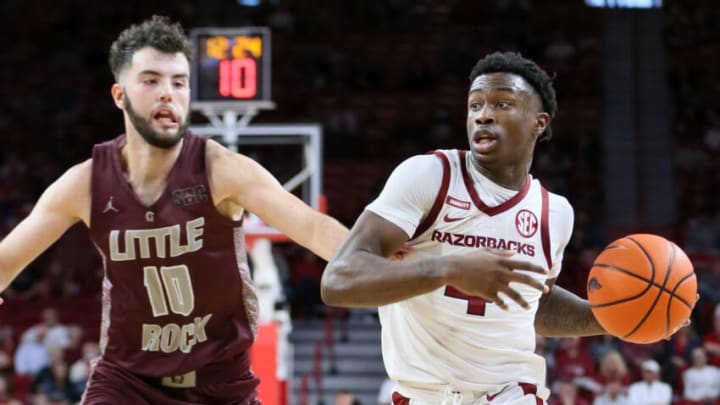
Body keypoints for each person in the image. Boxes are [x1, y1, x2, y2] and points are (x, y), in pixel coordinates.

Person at [0, 16, 347, 404]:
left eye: (179, 82)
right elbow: (6, 260)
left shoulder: (221, 169)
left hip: (221, 385)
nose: (168, 93)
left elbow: (314, 229)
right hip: (127, 382)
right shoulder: (86, 182)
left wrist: (382, 257)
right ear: (120, 95)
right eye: (151, 80)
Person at [321, 51, 687, 404]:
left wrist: (623, 316)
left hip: (510, 392)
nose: (483, 115)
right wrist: (446, 268)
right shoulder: (430, 176)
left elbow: (533, 305)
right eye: (475, 105)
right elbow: (338, 281)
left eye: (501, 104)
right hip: (423, 394)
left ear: (538, 122)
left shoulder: (555, 213)